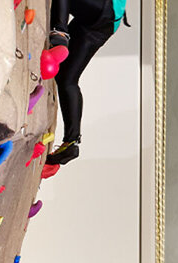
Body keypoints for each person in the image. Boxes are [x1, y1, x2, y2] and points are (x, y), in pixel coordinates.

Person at [46, 0, 128, 166]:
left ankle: (60, 33)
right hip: (107, 22)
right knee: (67, 79)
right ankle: (71, 142)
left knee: (67, 77)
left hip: (103, 9)